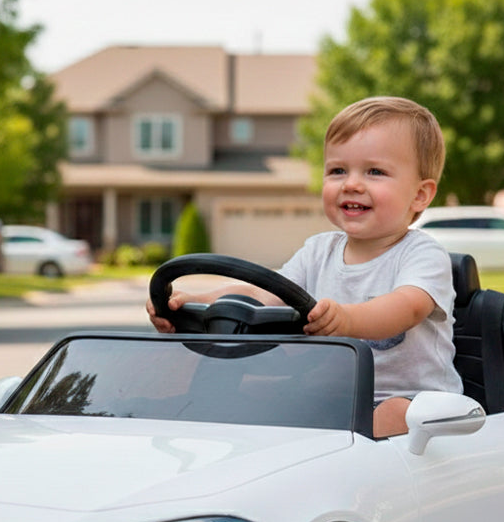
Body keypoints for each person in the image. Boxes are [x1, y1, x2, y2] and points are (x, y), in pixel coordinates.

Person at [148, 96, 462, 437]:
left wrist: (347, 320)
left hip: (418, 403)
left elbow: (407, 307)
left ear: (420, 195)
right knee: (242, 389)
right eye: (338, 171)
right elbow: (261, 294)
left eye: (375, 172)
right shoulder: (318, 251)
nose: (351, 184)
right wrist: (196, 302)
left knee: (395, 413)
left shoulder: (422, 254)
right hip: (334, 399)